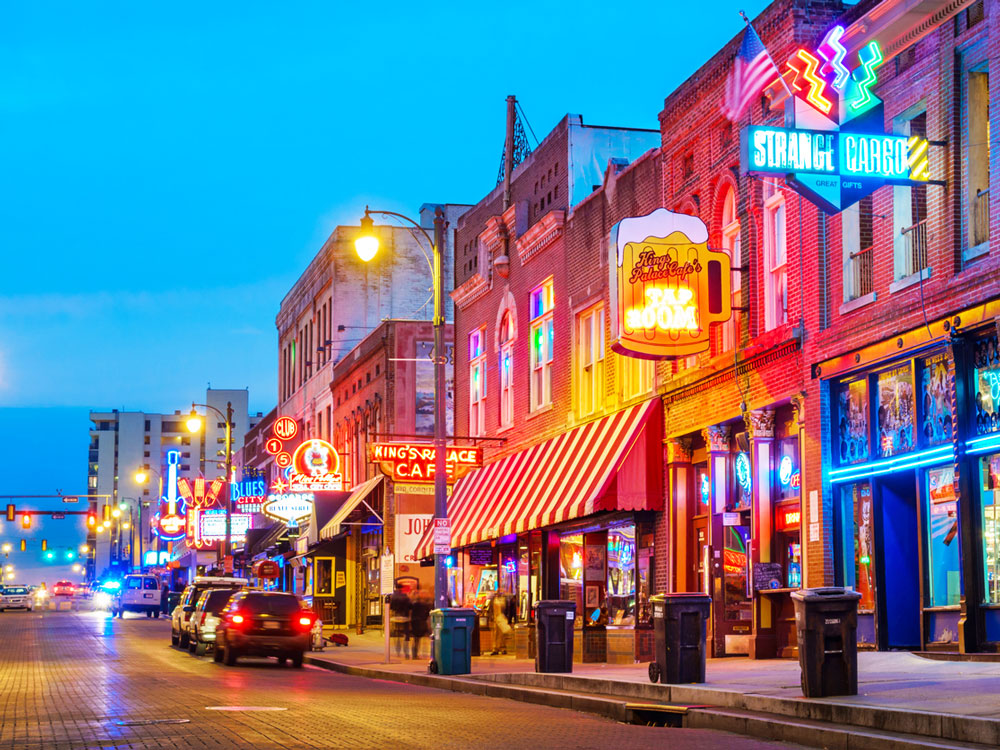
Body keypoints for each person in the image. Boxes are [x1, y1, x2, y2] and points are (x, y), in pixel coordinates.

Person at [388, 583, 411, 657]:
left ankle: (398, 651)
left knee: (397, 635)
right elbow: (410, 606)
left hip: (396, 617)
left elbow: (391, 607)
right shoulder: (405, 596)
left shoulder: (393, 597)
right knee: (406, 634)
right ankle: (406, 652)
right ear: (401, 589)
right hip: (405, 617)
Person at [409, 588, 433, 660]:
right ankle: (423, 653)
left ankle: (415, 654)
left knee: (416, 639)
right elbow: (427, 614)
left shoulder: (414, 604)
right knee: (426, 638)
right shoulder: (426, 605)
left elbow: (411, 612)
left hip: (415, 622)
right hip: (421, 622)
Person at [488, 591, 511, 655]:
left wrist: (508, 618)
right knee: (495, 635)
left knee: (502, 634)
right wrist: (491, 618)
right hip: (495, 618)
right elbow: (490, 610)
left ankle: (503, 648)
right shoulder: (493, 600)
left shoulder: (504, 600)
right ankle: (495, 648)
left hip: (502, 618)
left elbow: (508, 610)